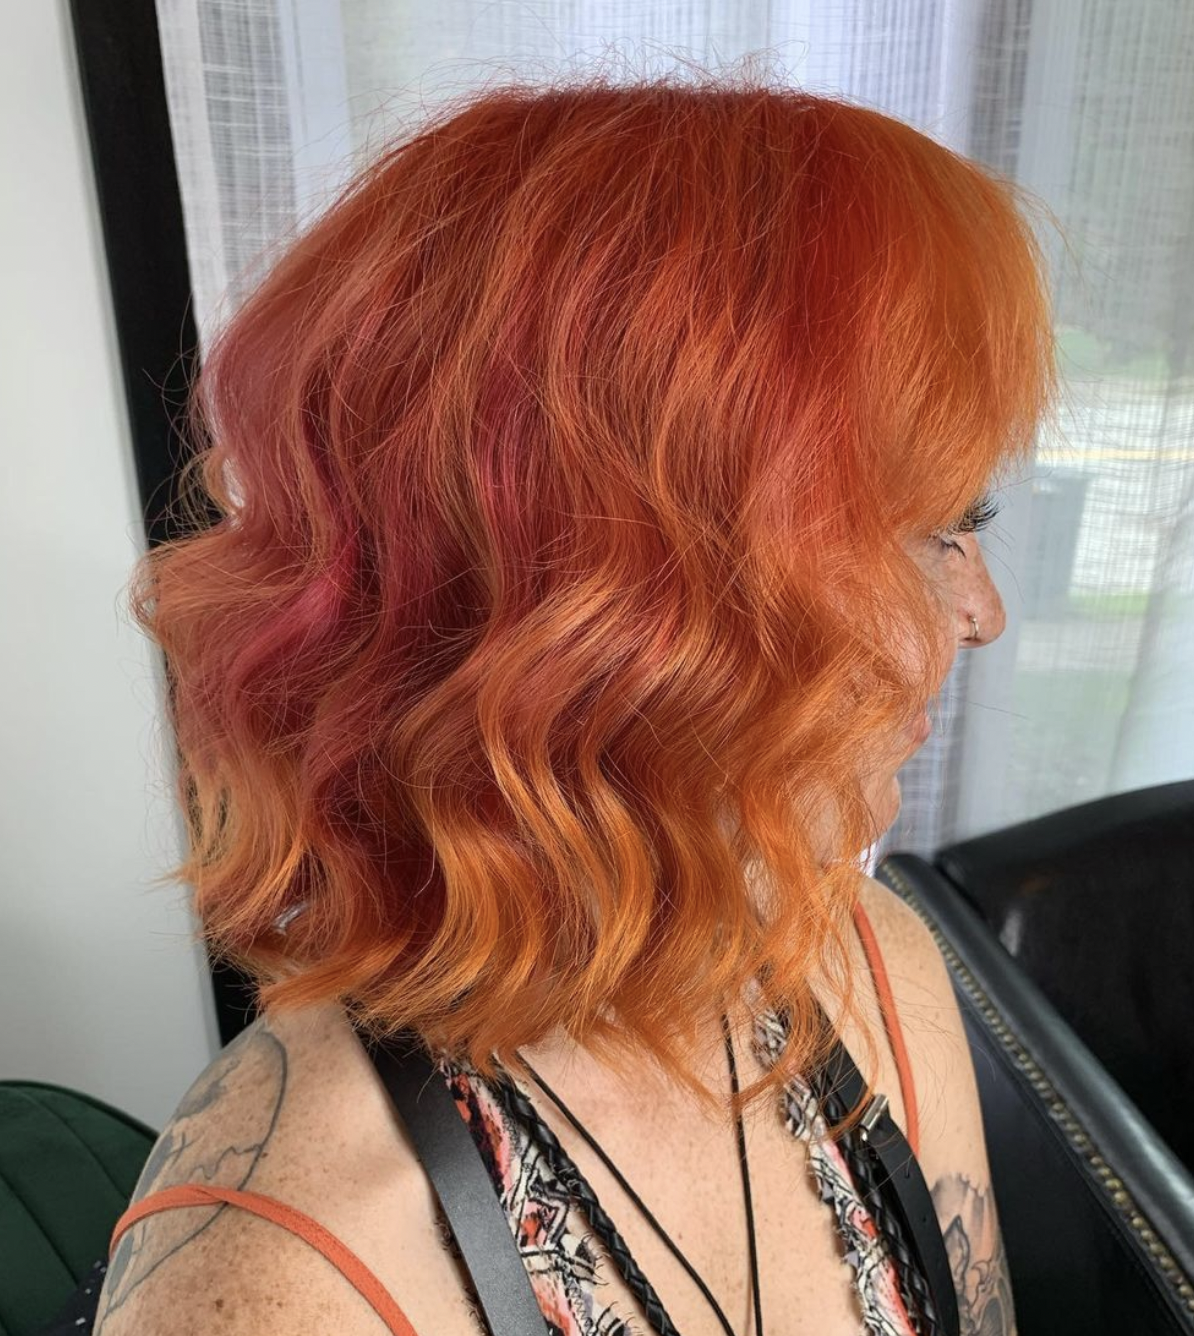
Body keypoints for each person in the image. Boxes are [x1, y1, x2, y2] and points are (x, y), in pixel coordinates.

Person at [92, 70, 1057, 1336]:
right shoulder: (279, 1278)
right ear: (644, 607)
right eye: (937, 531)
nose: (982, 613)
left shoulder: (873, 967)